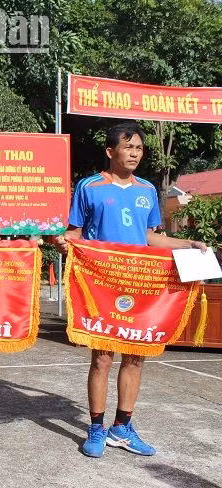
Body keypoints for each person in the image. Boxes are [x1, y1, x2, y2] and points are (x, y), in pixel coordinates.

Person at [55, 122, 206, 458]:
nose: (135, 153)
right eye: (128, 147)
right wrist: (64, 243)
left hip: (139, 284)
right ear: (110, 152)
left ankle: (122, 427)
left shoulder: (147, 190)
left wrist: (188, 244)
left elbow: (150, 237)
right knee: (102, 358)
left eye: (138, 148)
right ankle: (96, 428)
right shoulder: (89, 187)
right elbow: (75, 233)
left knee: (136, 358)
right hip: (103, 284)